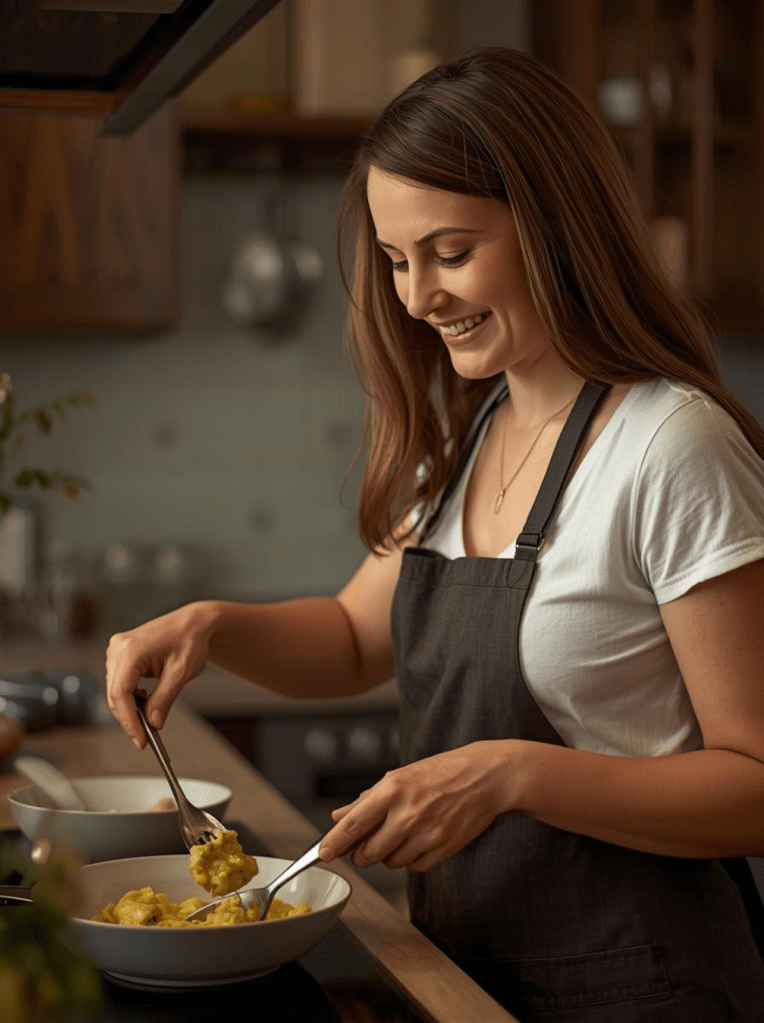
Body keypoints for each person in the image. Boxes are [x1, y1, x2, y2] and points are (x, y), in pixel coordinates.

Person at [106, 48, 764, 1020]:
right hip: (470, 976)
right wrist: (213, 626)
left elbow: (753, 783)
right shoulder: (462, 435)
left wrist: (513, 773)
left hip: (649, 989)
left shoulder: (671, 445)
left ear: (555, 228)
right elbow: (353, 638)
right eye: (397, 260)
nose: (418, 298)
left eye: (450, 253)